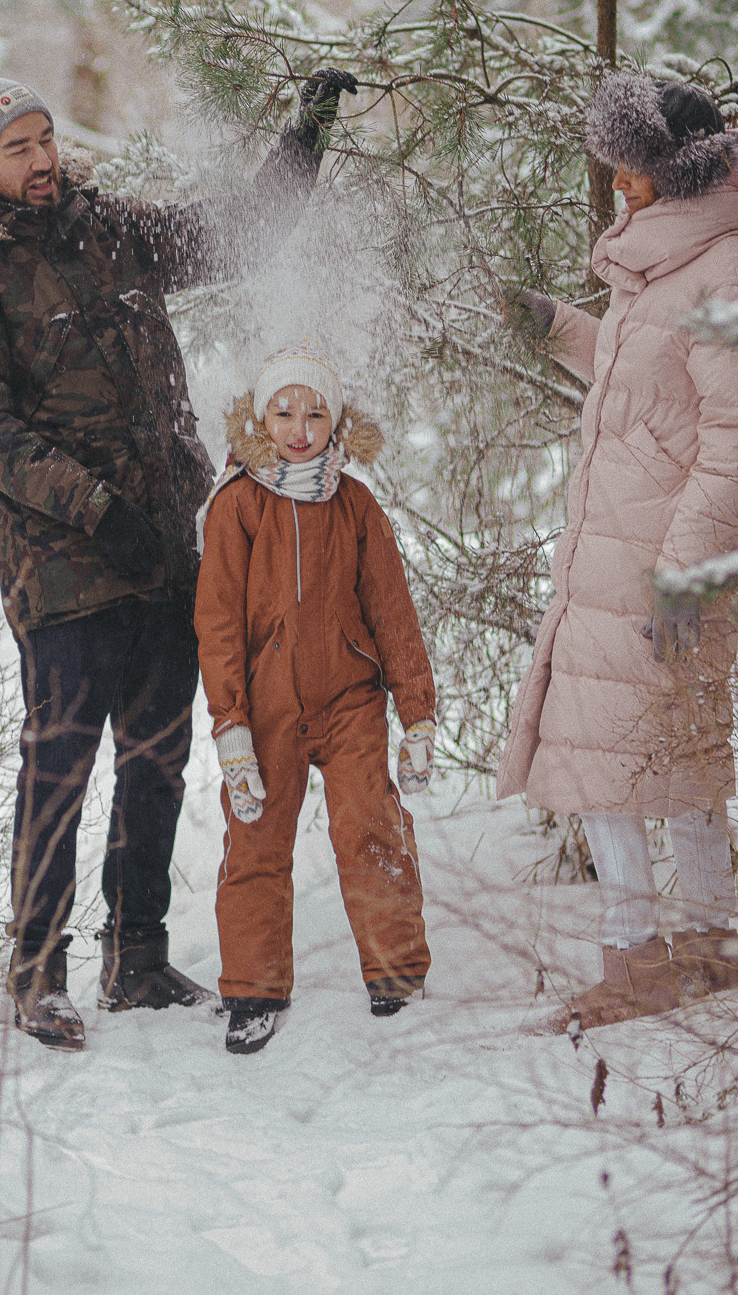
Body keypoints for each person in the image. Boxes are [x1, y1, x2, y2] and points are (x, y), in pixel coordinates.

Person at [0, 69, 356, 1049]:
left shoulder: (112, 232)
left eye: (45, 139)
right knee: (58, 766)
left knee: (158, 757)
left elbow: (238, 232)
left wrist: (303, 141)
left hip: (170, 547)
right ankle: (37, 972)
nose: (40, 159)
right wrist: (96, 509)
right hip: (62, 565)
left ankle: (138, 958)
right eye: (17, 146)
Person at [498, 71, 738, 1030]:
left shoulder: (725, 269)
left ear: (673, 169)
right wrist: (561, 330)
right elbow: (645, 385)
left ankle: (680, 955)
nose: (615, 181)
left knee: (662, 758)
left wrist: (686, 573)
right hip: (611, 547)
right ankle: (671, 954)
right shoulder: (660, 265)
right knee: (610, 757)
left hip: (659, 560)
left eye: (628, 167)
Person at [194, 341, 437, 1055]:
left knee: (368, 823)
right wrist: (230, 728)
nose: (299, 427)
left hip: (349, 700)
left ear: (336, 420)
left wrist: (415, 711)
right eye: (283, 411)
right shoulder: (235, 508)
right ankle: (253, 988)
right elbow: (216, 626)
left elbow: (392, 611)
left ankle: (395, 971)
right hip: (265, 709)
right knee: (255, 839)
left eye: (315, 411)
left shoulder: (355, 506)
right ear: (259, 418)